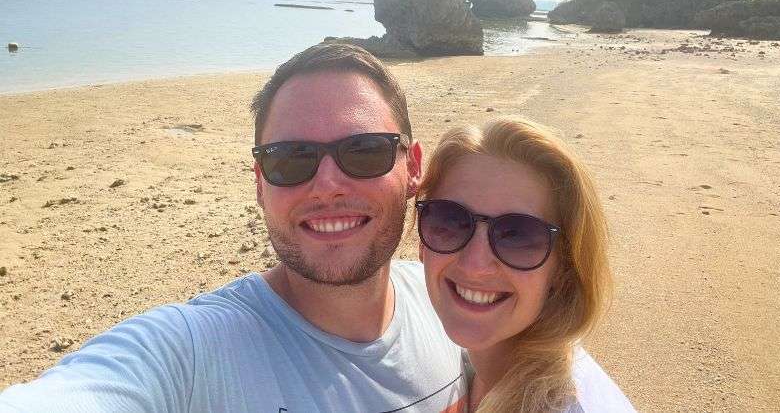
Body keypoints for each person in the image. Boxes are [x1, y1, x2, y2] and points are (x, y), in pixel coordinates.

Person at [0, 44, 467, 412]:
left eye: (364, 151)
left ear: (413, 167)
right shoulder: (194, 354)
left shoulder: (452, 307)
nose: (326, 185)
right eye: (290, 158)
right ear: (261, 185)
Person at [416, 117, 635, 412]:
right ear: (422, 241)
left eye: (517, 235)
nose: (475, 265)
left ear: (564, 268)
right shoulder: (482, 369)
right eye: (449, 221)